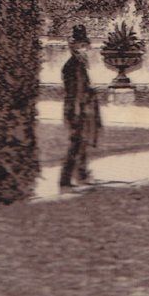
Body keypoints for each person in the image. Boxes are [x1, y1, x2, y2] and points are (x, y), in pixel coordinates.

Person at [59, 24, 98, 190]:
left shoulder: (80, 64)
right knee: (76, 142)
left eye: (85, 46)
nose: (84, 49)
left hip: (82, 107)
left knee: (82, 142)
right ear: (73, 47)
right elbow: (73, 91)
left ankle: (81, 174)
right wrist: (79, 107)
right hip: (76, 108)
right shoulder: (71, 66)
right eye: (81, 46)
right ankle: (65, 179)